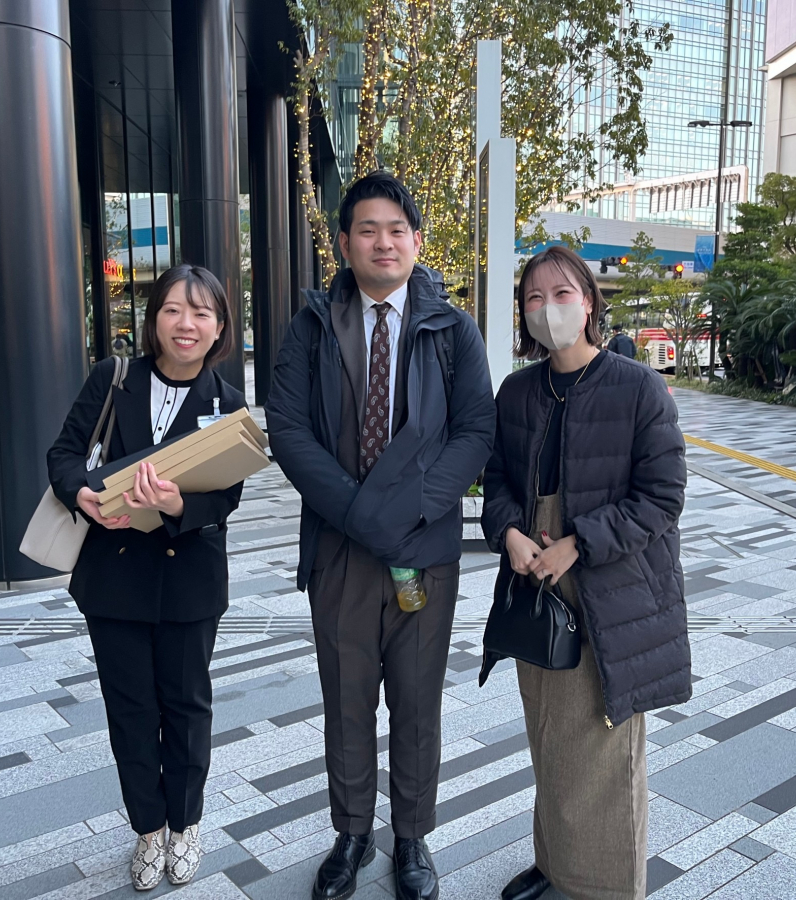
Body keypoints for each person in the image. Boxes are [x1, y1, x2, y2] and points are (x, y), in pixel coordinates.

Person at [266, 171, 495, 900]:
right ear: (344, 243)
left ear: (417, 241)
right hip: (339, 551)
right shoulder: (310, 327)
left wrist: (411, 511)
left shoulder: (452, 329)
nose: (383, 242)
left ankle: (412, 837)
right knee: (346, 699)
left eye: (397, 230)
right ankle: (352, 834)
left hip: (423, 550)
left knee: (417, 702)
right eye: (368, 229)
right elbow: (288, 431)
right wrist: (360, 516)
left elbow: (476, 431)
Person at [481, 245, 690, 900]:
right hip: (535, 580)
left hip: (611, 584)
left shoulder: (637, 387)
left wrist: (580, 542)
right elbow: (497, 480)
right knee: (549, 736)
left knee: (604, 744)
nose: (549, 309)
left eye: (562, 294)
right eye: (534, 298)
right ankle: (556, 865)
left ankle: (610, 885)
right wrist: (509, 532)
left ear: (591, 301)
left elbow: (663, 497)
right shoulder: (518, 391)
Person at [47, 264, 245, 891]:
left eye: (202, 313)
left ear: (220, 327)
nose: (187, 324)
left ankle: (185, 825)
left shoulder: (227, 404)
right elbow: (64, 454)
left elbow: (227, 497)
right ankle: (148, 828)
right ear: (154, 317)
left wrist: (178, 504)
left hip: (189, 583)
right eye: (173, 310)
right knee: (130, 711)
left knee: (186, 709)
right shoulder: (113, 379)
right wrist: (80, 492)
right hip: (114, 578)